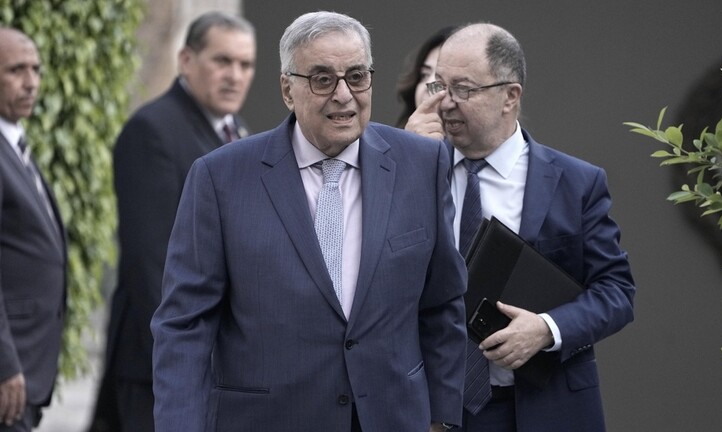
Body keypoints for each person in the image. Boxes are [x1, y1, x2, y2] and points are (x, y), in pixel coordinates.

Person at [151, 11, 467, 432]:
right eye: (322, 79)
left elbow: (442, 304)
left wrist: (442, 419)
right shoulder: (220, 177)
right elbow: (185, 325)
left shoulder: (422, 164)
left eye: (357, 77)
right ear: (288, 89)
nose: (343, 95)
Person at [406, 23, 636, 431]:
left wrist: (547, 329)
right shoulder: (414, 170)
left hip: (546, 407)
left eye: (463, 89)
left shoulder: (576, 182)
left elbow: (616, 292)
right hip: (437, 413)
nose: (445, 103)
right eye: (439, 86)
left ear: (510, 96)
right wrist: (407, 159)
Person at [88, 11, 256, 432]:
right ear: (186, 60)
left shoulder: (237, 131)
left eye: (245, 64)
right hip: (163, 366)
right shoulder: (152, 130)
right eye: (222, 61)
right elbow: (153, 266)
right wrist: (192, 360)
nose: (235, 76)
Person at [0, 27, 67, 431]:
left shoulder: (15, 144)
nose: (31, 82)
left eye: (36, 69)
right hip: (10, 371)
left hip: (30, 367)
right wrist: (4, 363)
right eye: (16, 70)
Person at [394, 26, 456, 128]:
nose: (430, 83)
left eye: (442, 75)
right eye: (424, 75)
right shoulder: (393, 137)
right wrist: (411, 137)